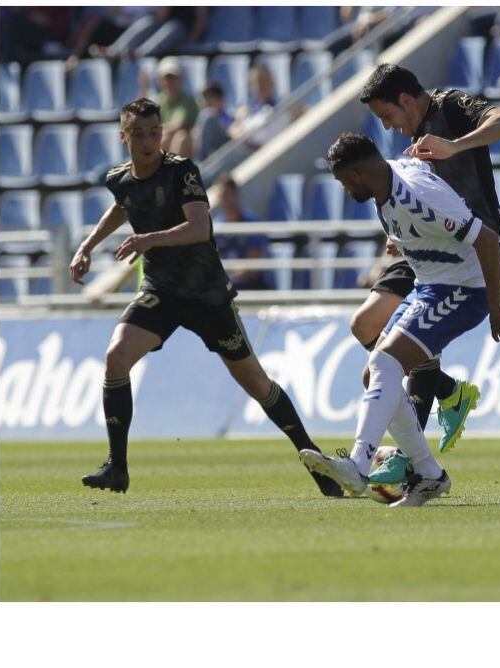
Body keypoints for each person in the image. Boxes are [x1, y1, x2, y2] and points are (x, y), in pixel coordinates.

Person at [68, 98, 341, 498]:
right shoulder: (120, 179)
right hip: (161, 291)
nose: (147, 141)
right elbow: (123, 205)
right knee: (116, 357)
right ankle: (117, 467)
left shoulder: (182, 172)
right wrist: (87, 246)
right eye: (138, 133)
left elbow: (199, 227)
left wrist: (149, 240)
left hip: (207, 294)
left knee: (256, 383)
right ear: (123, 136)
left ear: (162, 132)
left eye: (154, 132)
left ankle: (315, 460)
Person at [300, 133, 500, 507]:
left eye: (341, 182)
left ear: (354, 175)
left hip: (464, 289)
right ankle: (430, 475)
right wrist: (405, 237)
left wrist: (497, 306)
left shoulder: (415, 195)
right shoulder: (389, 181)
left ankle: (358, 464)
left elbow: (487, 240)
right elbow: (423, 171)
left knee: (385, 361)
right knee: (375, 373)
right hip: (430, 284)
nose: (343, 190)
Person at [355, 63, 500, 453]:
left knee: (411, 348)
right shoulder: (412, 139)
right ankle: (450, 394)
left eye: (387, 115)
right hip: (428, 244)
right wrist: (398, 235)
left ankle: (410, 459)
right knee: (365, 327)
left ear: (405, 99)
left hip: (470, 245)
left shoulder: (451, 107)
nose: (386, 126)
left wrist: (457, 144)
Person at [141, 56, 198, 159]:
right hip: (164, 140)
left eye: (173, 78)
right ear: (160, 80)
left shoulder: (188, 101)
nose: (169, 82)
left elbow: (180, 124)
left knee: (180, 137)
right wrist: (145, 88)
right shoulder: (157, 101)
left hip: (189, 146)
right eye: (166, 78)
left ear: (180, 79)